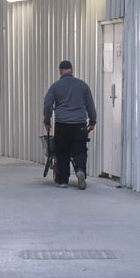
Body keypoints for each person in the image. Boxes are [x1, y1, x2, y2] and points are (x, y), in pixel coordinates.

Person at [42, 59, 97, 189]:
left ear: (60, 71)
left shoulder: (55, 86)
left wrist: (47, 121)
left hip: (62, 124)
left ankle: (63, 181)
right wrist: (92, 121)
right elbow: (90, 105)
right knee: (80, 150)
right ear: (71, 70)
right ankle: (80, 171)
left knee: (62, 152)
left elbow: (48, 105)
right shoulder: (83, 86)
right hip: (79, 124)